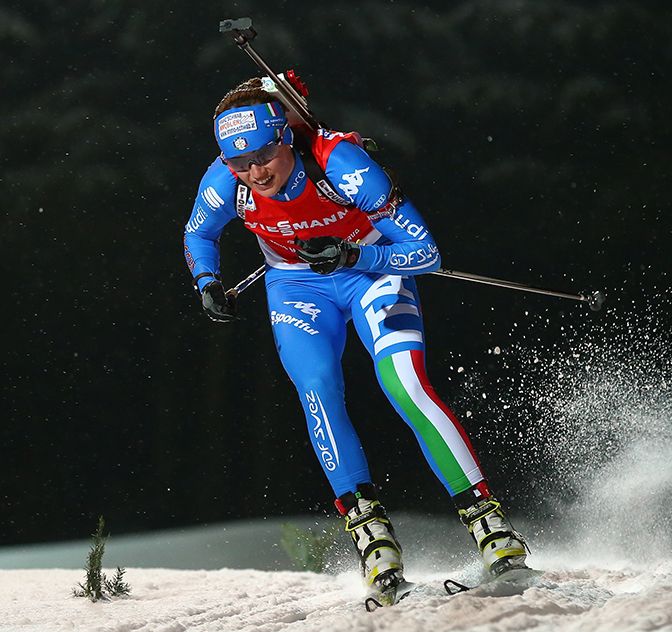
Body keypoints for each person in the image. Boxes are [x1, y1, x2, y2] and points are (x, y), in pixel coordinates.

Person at [182, 77, 529, 602]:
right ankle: (373, 540)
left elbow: (426, 253)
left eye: (263, 156)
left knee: (404, 383)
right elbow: (198, 233)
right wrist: (207, 282)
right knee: (318, 388)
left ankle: (491, 528)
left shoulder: (340, 163)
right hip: (295, 286)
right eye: (239, 163)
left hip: (371, 271)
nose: (255, 173)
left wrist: (354, 256)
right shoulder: (224, 182)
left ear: (285, 139)